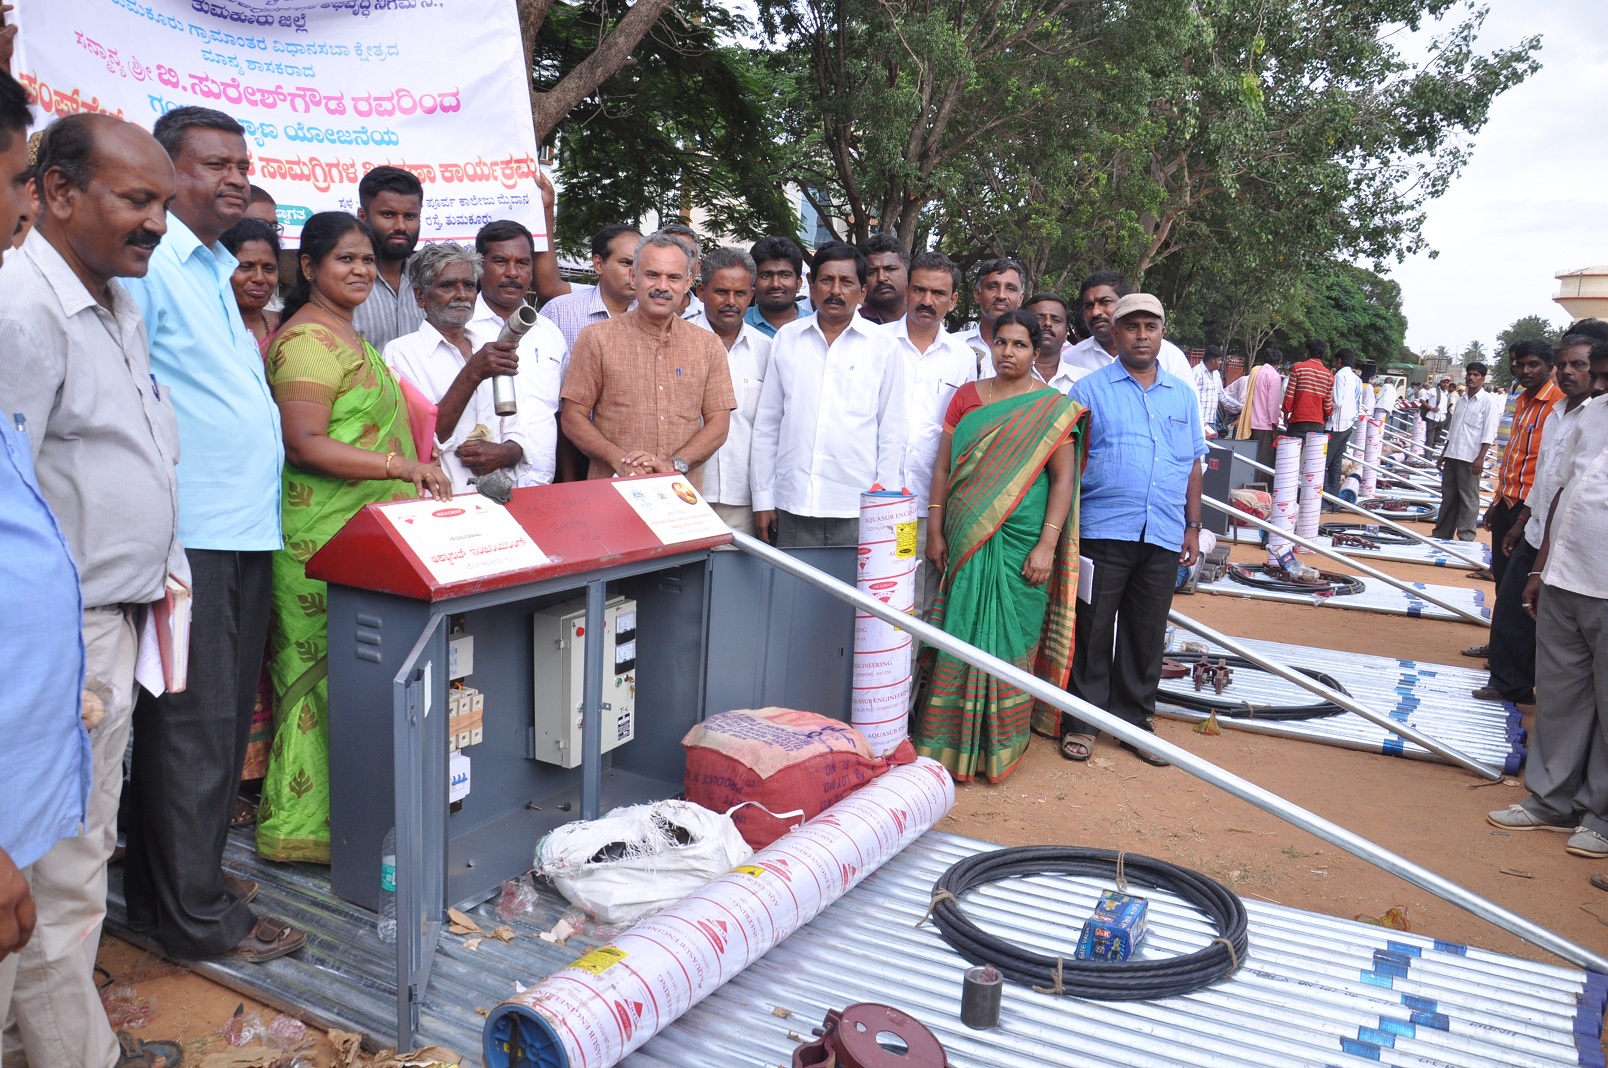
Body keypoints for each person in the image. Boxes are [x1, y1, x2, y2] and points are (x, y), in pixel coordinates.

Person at [0, 112, 190, 1068]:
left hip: (110, 631)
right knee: (45, 875)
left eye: (163, 203)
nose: (157, 222)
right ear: (59, 192)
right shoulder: (20, 312)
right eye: (137, 199)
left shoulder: (116, 300)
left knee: (72, 868)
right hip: (54, 646)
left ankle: (64, 1048)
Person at [119, 105, 303, 965]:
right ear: (167, 171)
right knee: (194, 730)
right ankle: (195, 918)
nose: (236, 178)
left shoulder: (211, 264)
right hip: (191, 534)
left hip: (240, 530)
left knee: (214, 732)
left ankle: (174, 890)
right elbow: (131, 396)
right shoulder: (151, 267)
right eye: (215, 163)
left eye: (243, 164)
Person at [257, 212, 451, 864]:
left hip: (364, 537)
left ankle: (352, 821)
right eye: (346, 258)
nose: (362, 269)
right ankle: (300, 828)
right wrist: (401, 466)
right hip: (317, 542)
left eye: (367, 259)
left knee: (358, 682)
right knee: (317, 682)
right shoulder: (307, 341)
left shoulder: (349, 335)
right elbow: (305, 443)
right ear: (309, 267)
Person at [912, 310, 1085, 781]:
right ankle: (947, 744)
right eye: (1001, 342)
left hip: (1022, 541)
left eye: (1020, 344)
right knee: (960, 629)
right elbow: (943, 468)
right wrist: (935, 529)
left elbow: (1063, 479)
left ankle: (1000, 742)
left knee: (1013, 633)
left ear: (1037, 351)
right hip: (966, 535)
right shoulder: (966, 397)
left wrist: (1047, 544)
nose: (1008, 352)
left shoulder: (1051, 408)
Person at [1060, 293, 1205, 767]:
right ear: (1116, 333)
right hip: (1103, 529)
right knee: (1093, 629)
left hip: (1163, 531)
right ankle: (1081, 723)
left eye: (1151, 326)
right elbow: (1068, 462)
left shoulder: (1181, 395)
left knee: (1146, 633)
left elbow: (1192, 463)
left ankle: (1135, 722)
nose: (1142, 335)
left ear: (1162, 332)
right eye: (1132, 326)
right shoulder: (1089, 391)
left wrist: (1193, 526)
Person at [1490, 345, 1608, 857]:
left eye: (1603, 376)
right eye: (1594, 374)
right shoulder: (1591, 415)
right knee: (1561, 696)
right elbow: (1562, 491)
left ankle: (1600, 816)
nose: (1596, 385)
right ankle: (1551, 800)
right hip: (1565, 574)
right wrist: (1540, 568)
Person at [751, 241, 906, 547]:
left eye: (846, 282)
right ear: (811, 285)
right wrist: (763, 499)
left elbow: (892, 431)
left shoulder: (884, 347)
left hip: (857, 507)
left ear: (862, 292)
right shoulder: (787, 339)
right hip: (793, 503)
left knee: (851, 582)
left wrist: (882, 505)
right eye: (826, 280)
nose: (835, 290)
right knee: (790, 580)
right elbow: (768, 424)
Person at [559, 231, 735, 487]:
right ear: (634, 276)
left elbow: (719, 423)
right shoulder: (596, 338)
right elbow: (572, 417)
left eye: (673, 277)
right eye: (652, 275)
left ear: (687, 282)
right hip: (611, 491)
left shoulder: (708, 345)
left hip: (680, 493)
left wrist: (674, 465)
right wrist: (618, 459)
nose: (662, 287)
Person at [1479, 336, 1598, 705]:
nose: (1567, 372)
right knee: (1511, 602)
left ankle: (1524, 685)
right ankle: (1510, 681)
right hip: (1534, 526)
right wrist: (1520, 520)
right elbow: (1546, 477)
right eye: (1564, 365)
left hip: (1567, 537)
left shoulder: (1591, 416)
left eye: (1578, 365)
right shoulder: (1556, 413)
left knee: (1542, 615)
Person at [385, 242, 551, 494]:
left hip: (497, 499)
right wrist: (473, 373)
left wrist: (506, 453)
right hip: (439, 500)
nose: (462, 295)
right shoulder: (401, 353)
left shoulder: (488, 346)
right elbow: (422, 440)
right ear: (421, 296)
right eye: (447, 285)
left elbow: (517, 430)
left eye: (469, 285)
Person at [884, 250, 975, 617]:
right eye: (919, 290)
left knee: (917, 602)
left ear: (953, 301)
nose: (927, 300)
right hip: (875, 496)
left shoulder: (963, 358)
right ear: (906, 291)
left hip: (925, 505)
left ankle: (909, 661)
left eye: (938, 293)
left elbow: (963, 433)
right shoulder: (876, 343)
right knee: (867, 596)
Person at [464, 218, 568, 486]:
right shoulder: (460, 330)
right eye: (500, 261)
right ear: (479, 266)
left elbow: (558, 415)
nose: (512, 273)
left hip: (539, 485)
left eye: (522, 263)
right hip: (470, 486)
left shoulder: (550, 333)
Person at [688, 245, 772, 535]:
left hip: (744, 500)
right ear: (701, 292)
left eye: (740, 293)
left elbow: (770, 429)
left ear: (752, 295)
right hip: (686, 492)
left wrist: (764, 499)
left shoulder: (767, 350)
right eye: (721, 292)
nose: (731, 302)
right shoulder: (677, 342)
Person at [1482, 339, 1560, 589]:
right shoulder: (1522, 402)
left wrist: (1522, 520)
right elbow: (1513, 458)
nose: (1525, 371)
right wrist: (1496, 501)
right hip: (1507, 502)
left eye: (1533, 365)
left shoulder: (1558, 405)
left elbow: (1548, 469)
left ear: (1549, 367)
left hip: (1529, 508)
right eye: (1520, 365)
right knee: (1501, 579)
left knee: (1517, 585)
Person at [1064, 271, 1196, 391]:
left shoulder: (1171, 357)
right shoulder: (1070, 358)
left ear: (1124, 304)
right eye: (1089, 306)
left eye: (1105, 302)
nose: (1095, 312)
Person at [351, 165, 425, 349]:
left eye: (410, 216)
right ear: (362, 216)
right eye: (388, 215)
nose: (401, 226)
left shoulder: (428, 279)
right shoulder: (345, 281)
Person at [540, 222, 641, 352]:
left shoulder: (656, 316)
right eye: (627, 263)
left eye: (641, 264)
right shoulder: (559, 312)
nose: (635, 272)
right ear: (599, 264)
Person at [1433, 362, 1501, 542]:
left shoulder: (1487, 402)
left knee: (1468, 499)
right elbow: (1453, 430)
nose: (1471, 377)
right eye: (1469, 374)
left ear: (1483, 379)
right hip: (1452, 455)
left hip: (1470, 458)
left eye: (1476, 375)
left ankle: (1466, 537)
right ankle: (1442, 534)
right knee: (1448, 497)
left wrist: (1480, 458)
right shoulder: (1461, 400)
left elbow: (1489, 432)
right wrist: (1443, 454)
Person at [219, 217, 281, 352]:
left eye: (268, 268)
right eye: (246, 266)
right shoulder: (208, 327)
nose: (259, 278)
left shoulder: (284, 326)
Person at [959, 257, 1025, 366]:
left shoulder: (1032, 352)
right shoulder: (953, 345)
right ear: (977, 295)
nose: (1001, 295)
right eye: (993, 287)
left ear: (1020, 299)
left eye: (1010, 288)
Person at [1020, 291, 1084, 392]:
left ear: (1066, 333)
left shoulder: (1084, 381)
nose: (1047, 323)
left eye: (1056, 320)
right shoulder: (1002, 377)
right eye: (1038, 318)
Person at [745, 235, 807, 337]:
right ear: (753, 282)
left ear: (799, 283)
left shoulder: (816, 326)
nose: (775, 284)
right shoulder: (738, 324)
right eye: (765, 275)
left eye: (785, 275)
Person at [1235, 348, 1285, 467]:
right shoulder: (1274, 376)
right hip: (1264, 425)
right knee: (1263, 461)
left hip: (1250, 422)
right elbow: (1272, 405)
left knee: (1250, 459)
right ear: (1279, 361)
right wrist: (1275, 426)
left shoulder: (1255, 372)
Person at [1325, 348, 1365, 495]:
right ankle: (1332, 497)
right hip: (1348, 424)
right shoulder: (1357, 379)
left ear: (1339, 360)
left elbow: (1336, 402)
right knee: (1336, 463)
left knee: (1324, 462)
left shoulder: (1340, 376)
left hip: (1336, 425)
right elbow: (1358, 403)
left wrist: (1326, 414)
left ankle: (1322, 497)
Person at [1282, 338, 1335, 437]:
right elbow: (1327, 406)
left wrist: (1285, 418)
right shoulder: (1329, 376)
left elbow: (1289, 397)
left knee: (1295, 447)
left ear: (1308, 352)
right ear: (1323, 354)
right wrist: (1326, 417)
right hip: (1317, 424)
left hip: (1297, 421)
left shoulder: (1298, 369)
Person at [858, 232, 908, 324]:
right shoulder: (854, 324)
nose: (881, 278)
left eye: (890, 269)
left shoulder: (924, 319)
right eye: (872, 272)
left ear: (907, 272)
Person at [1193, 345, 1225, 438]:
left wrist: (1241, 407)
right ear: (1212, 360)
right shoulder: (1197, 372)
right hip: (1199, 422)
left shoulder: (1216, 374)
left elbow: (1222, 396)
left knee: (1213, 447)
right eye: (1219, 360)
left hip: (1212, 422)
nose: (1221, 362)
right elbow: (1190, 397)